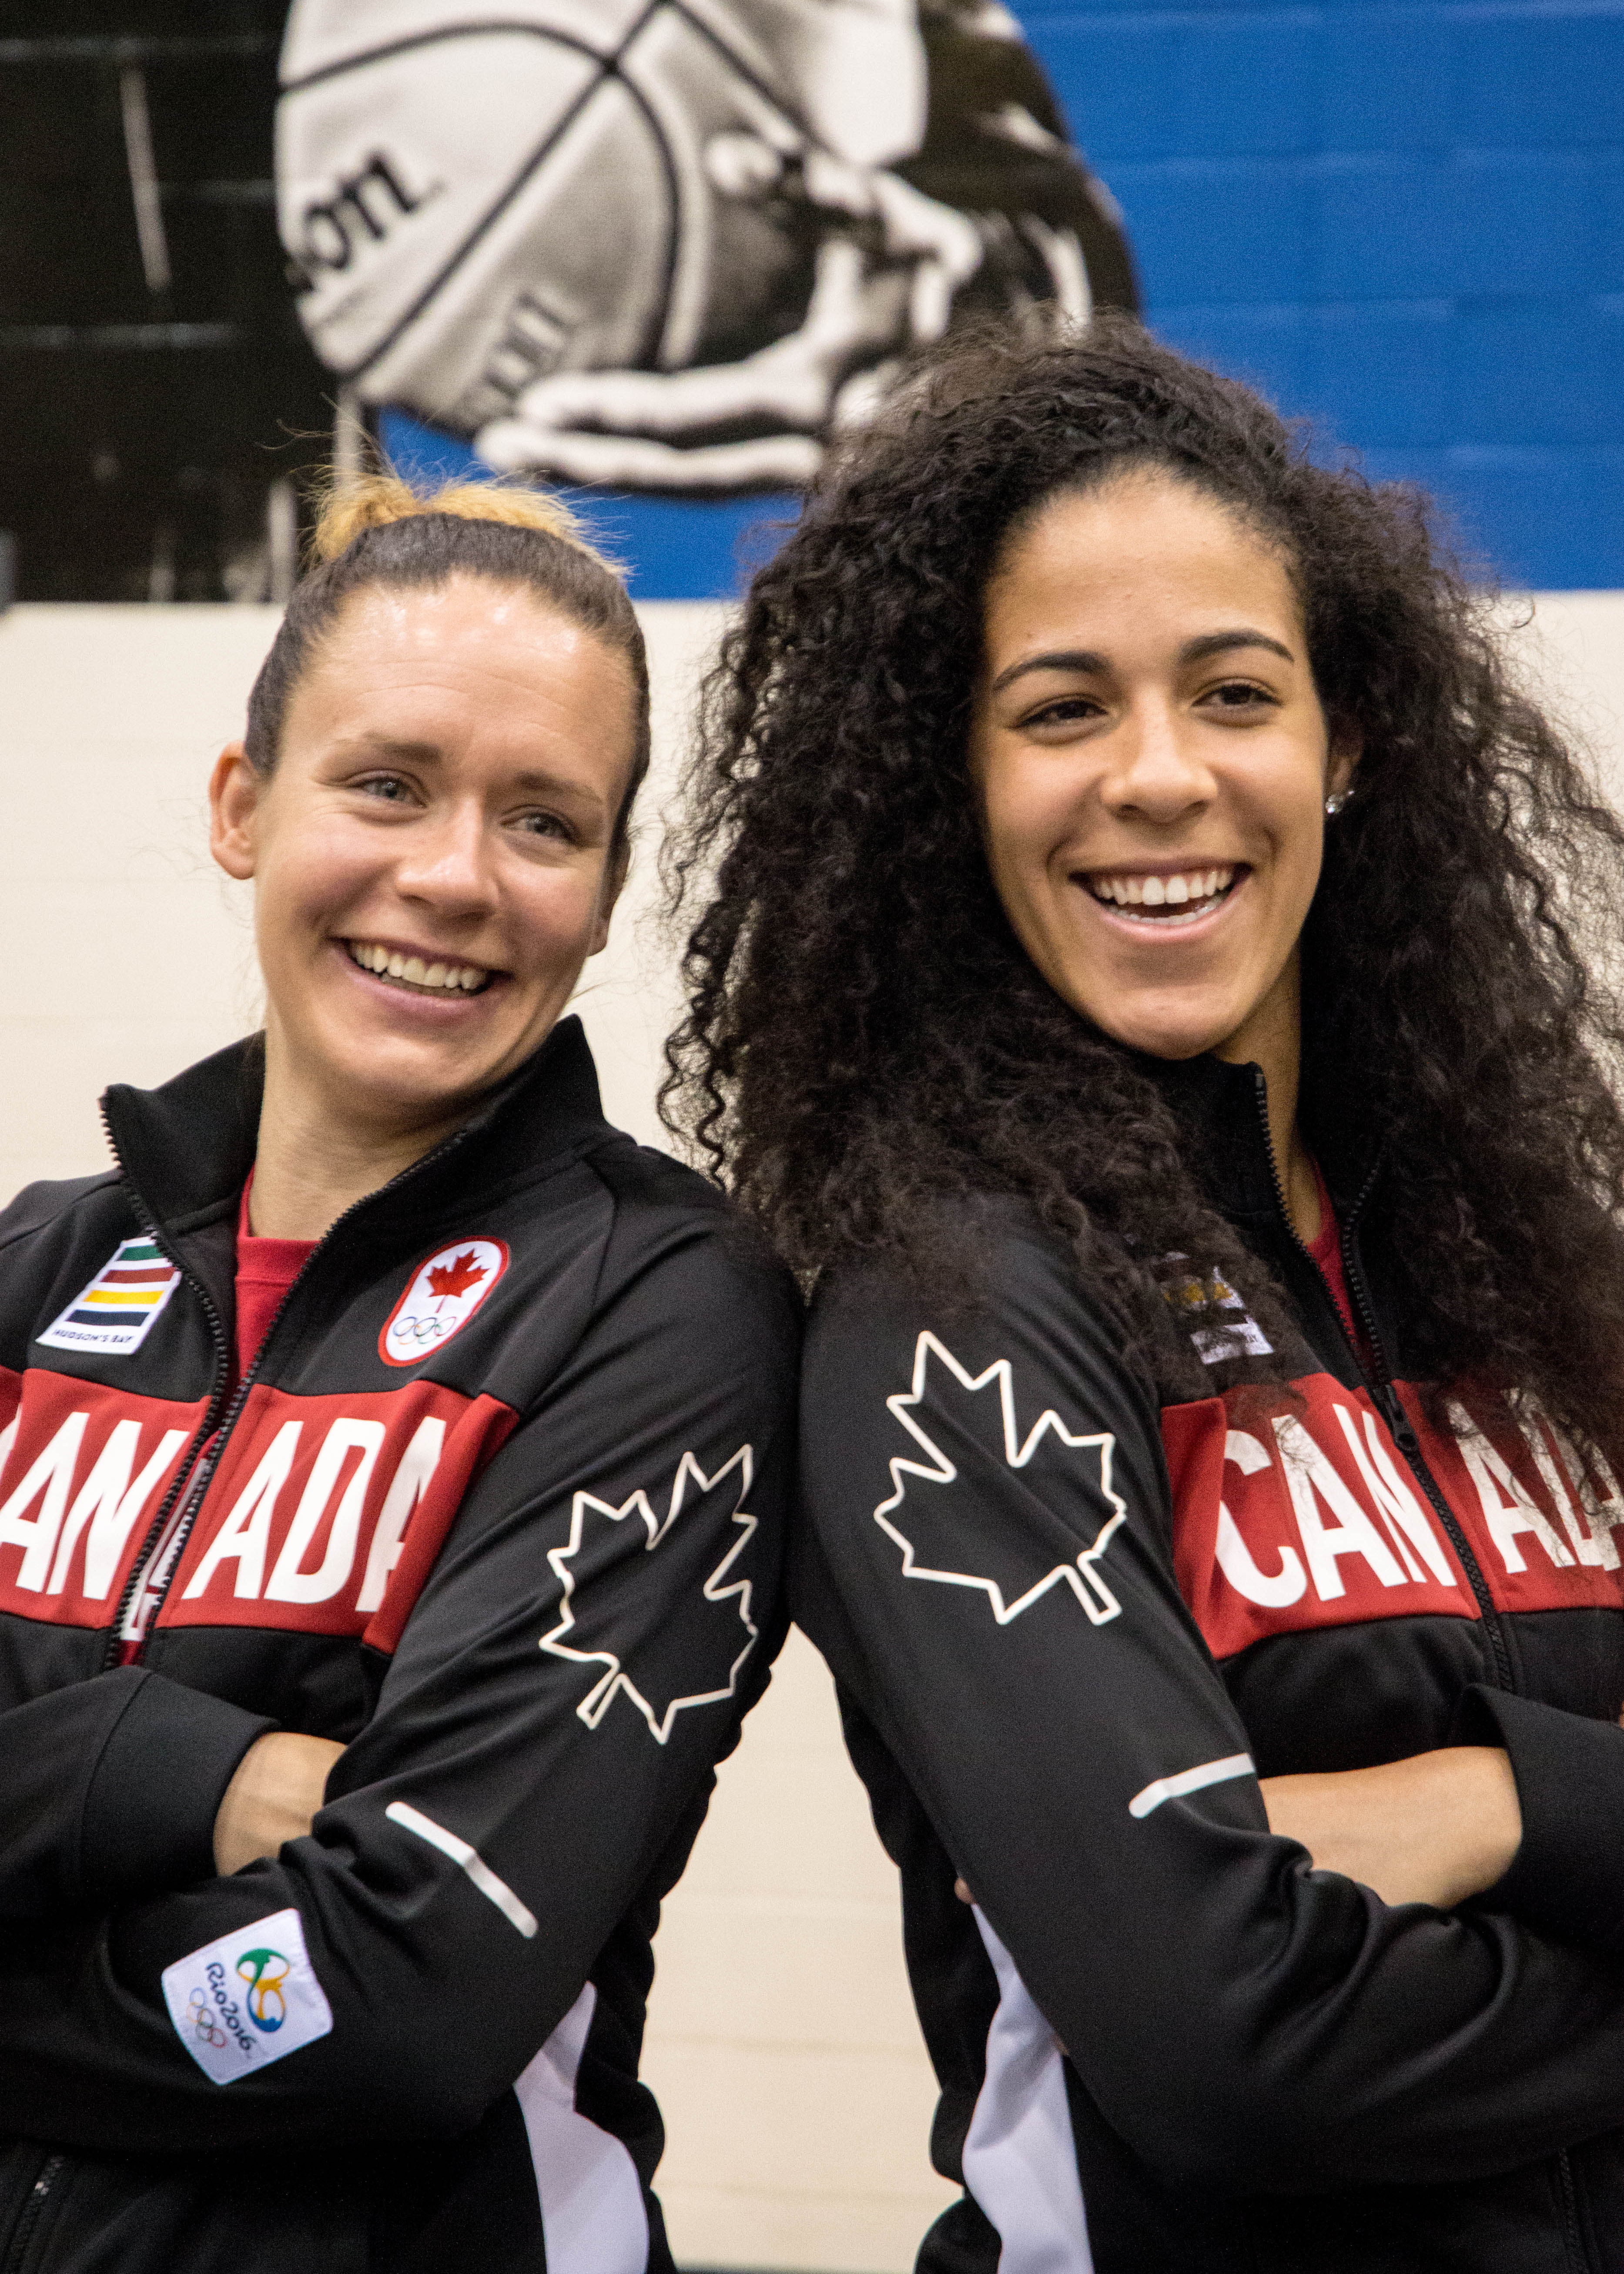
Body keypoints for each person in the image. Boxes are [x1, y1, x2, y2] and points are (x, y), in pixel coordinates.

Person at [665, 315, 1624, 2271]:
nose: (1161, 777)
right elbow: (1229, 2041)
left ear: (1345, 738)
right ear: (958, 778)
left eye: (1233, 690)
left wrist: (1490, 1802)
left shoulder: (1522, 1268)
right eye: (1060, 708)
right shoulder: (947, 1307)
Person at [0, 476, 798, 2273]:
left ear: (599, 895)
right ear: (241, 804)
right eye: (387, 782)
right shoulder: (41, 1270)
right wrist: (169, 1764)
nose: (452, 874)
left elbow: (403, 1985)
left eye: (543, 820)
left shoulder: (660, 1306)